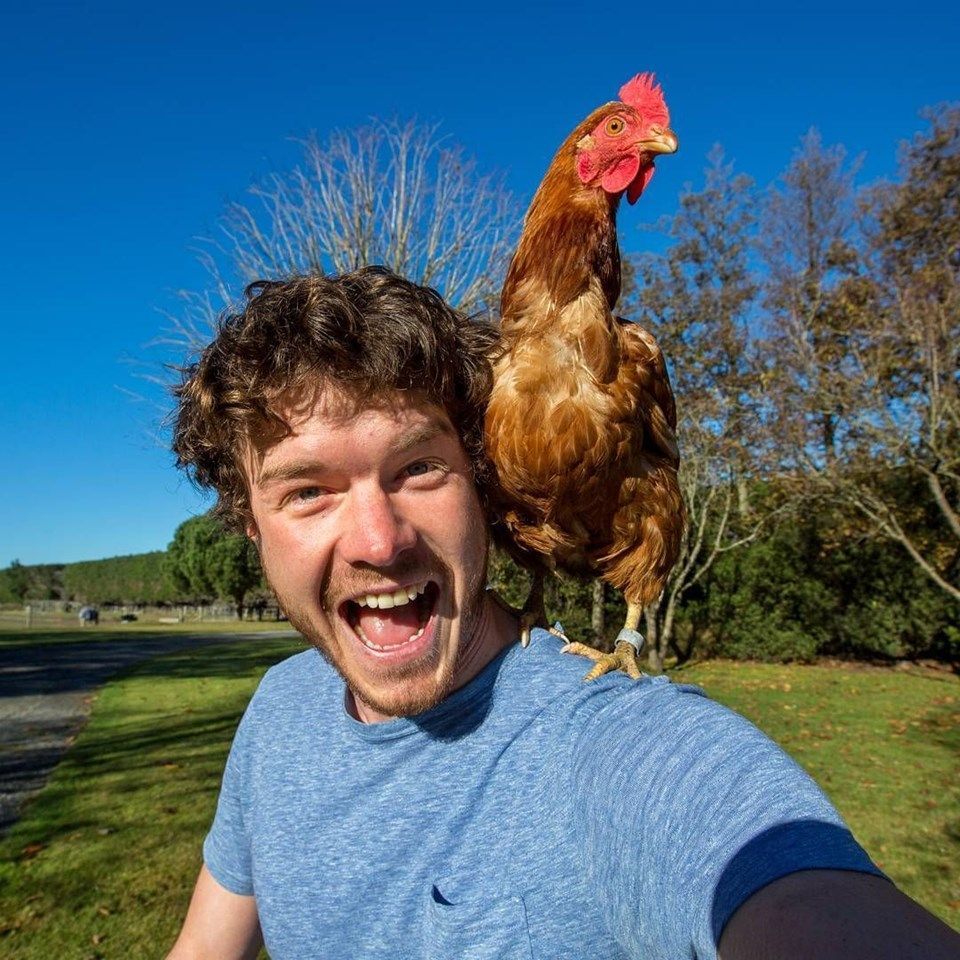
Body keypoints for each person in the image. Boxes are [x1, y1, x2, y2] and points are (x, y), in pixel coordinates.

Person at [166, 268, 960, 960]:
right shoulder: (279, 711)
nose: (380, 541)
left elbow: (789, 887)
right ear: (250, 525)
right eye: (309, 491)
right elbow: (204, 947)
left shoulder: (613, 746)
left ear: (481, 483)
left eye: (420, 468)